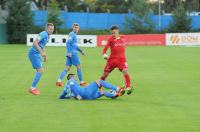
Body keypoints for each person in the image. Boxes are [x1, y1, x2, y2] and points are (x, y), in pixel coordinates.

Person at [100, 25, 133, 95]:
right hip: (112, 60)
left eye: (114, 33)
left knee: (125, 71)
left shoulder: (123, 37)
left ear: (118, 31)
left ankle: (128, 87)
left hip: (122, 60)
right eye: (112, 33)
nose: (113, 34)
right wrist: (104, 54)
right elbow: (105, 48)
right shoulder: (110, 39)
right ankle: (98, 86)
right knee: (105, 75)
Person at [56, 23, 87, 87]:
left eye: (77, 27)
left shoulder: (74, 35)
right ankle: (81, 82)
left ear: (78, 28)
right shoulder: (72, 34)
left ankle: (59, 81)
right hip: (73, 54)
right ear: (72, 28)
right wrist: (70, 52)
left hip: (70, 54)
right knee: (79, 66)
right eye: (75, 27)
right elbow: (67, 43)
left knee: (67, 68)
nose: (76, 29)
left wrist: (81, 51)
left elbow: (75, 46)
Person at [28, 23, 54, 95]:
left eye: (52, 29)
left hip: (36, 54)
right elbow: (35, 42)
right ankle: (32, 88)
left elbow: (42, 45)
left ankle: (32, 88)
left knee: (40, 71)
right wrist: (41, 52)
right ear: (46, 28)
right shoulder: (43, 34)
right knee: (40, 71)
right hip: (33, 53)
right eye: (50, 29)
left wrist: (45, 55)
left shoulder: (47, 36)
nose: (51, 31)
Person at [59, 74, 125, 100]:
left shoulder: (65, 89)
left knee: (102, 92)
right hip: (85, 93)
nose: (76, 78)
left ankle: (116, 94)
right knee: (100, 81)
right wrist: (76, 95)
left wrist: (69, 97)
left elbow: (61, 97)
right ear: (72, 77)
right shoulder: (71, 80)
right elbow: (72, 87)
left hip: (87, 98)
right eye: (75, 76)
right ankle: (118, 89)